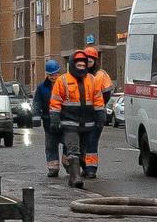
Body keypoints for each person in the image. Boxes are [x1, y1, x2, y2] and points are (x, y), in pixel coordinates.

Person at [49, 50, 105, 189]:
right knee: (73, 149)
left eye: (83, 65)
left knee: (83, 151)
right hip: (70, 123)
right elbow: (55, 101)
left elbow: (98, 99)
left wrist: (101, 113)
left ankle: (81, 169)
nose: (81, 68)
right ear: (73, 65)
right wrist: (55, 117)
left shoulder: (92, 80)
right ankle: (75, 177)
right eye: (78, 65)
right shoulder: (62, 80)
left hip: (88, 123)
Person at [82, 46, 113, 179]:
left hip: (96, 114)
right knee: (82, 141)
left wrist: (98, 105)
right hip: (82, 114)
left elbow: (107, 93)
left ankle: (91, 169)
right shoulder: (80, 75)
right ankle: (85, 166)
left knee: (92, 141)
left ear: (95, 61)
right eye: (86, 61)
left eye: (90, 61)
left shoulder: (101, 75)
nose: (88, 64)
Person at [32, 59, 62, 177]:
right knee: (51, 145)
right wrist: (36, 116)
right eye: (51, 75)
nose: (53, 77)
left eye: (55, 74)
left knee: (68, 143)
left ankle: (69, 165)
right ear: (47, 74)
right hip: (48, 121)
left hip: (64, 119)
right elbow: (37, 102)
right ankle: (53, 168)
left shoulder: (64, 85)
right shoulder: (42, 88)